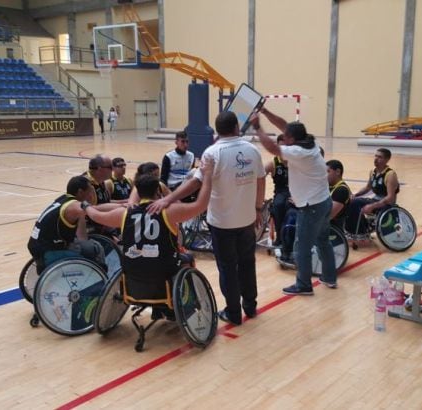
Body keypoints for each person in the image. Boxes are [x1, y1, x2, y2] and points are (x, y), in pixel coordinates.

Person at [150, 111, 266, 325]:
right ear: (236, 128)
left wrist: (168, 199)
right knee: (248, 264)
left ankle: (233, 313)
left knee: (228, 267)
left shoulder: (212, 153)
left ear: (218, 130)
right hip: (247, 220)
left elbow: (195, 183)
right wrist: (258, 208)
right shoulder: (252, 150)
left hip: (222, 223)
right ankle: (250, 306)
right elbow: (261, 180)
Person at [83, 158, 214, 320]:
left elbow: (97, 215)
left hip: (133, 273)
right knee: (186, 257)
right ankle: (183, 307)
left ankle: (158, 308)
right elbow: (201, 204)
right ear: (158, 192)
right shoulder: (169, 211)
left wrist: (86, 206)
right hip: (162, 271)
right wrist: (207, 175)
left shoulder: (125, 213)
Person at [253, 108, 337, 294]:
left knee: (301, 246)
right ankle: (330, 278)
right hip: (323, 201)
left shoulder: (298, 152)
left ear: (291, 139)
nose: (283, 137)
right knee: (323, 241)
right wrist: (266, 111)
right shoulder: (309, 142)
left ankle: (304, 285)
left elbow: (273, 148)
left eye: (286, 136)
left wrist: (258, 127)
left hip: (311, 207)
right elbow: (285, 125)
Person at [26, 176, 104, 276]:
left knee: (87, 246)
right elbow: (95, 211)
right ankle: (100, 281)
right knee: (96, 248)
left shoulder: (64, 200)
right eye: (89, 191)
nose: (91, 195)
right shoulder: (73, 207)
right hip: (48, 250)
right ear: (80, 192)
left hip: (40, 245)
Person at [347, 148, 400, 234]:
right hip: (375, 200)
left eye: (380, 157)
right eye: (375, 156)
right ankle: (361, 227)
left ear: (387, 160)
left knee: (355, 203)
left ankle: (361, 231)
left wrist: (372, 206)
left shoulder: (390, 175)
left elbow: (390, 197)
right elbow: (367, 188)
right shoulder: (373, 172)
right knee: (351, 201)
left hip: (387, 204)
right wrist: (355, 194)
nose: (376, 159)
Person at [264, 134, 290, 248]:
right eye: (282, 147)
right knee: (278, 206)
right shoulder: (272, 163)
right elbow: (259, 178)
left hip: (297, 191)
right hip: (281, 191)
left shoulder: (297, 161)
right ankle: (280, 236)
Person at [326, 159, 352, 228]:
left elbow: (328, 216)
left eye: (328, 171)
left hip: (332, 228)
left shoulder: (342, 190)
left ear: (338, 172)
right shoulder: (328, 186)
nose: (324, 175)